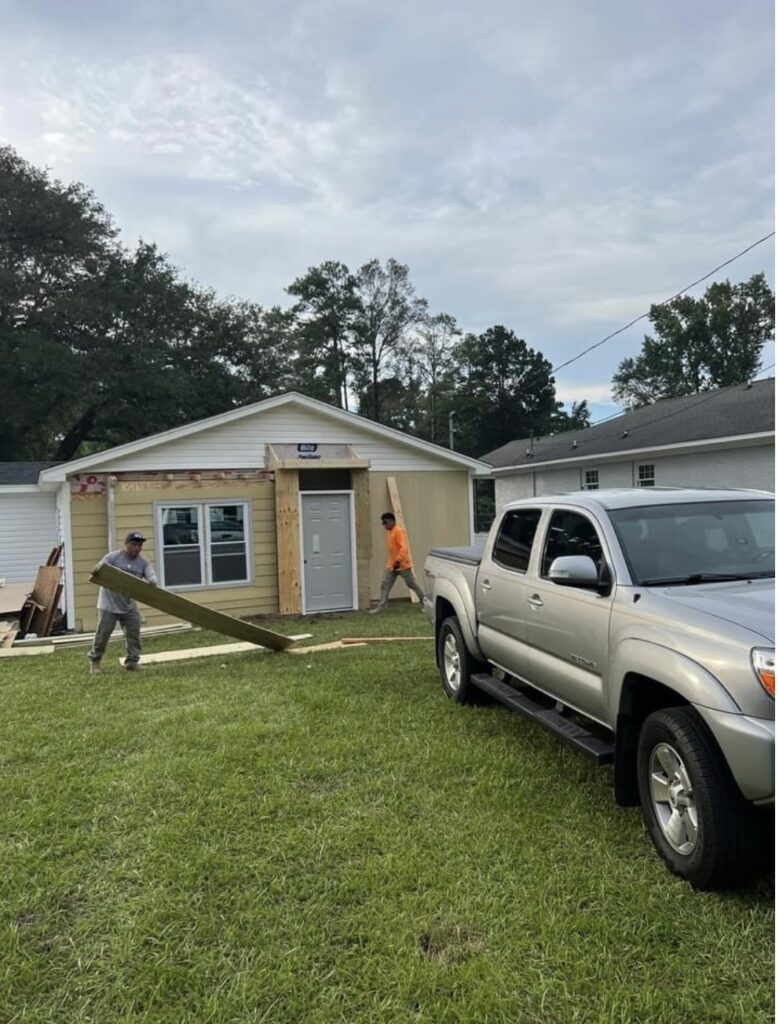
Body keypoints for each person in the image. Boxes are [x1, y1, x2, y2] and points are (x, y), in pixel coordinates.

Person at [88, 531, 158, 674]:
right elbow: (98, 569)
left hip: (128, 604)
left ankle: (132, 663)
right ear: (126, 544)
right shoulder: (113, 557)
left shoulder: (143, 562)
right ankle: (95, 662)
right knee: (103, 634)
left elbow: (151, 576)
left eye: (139, 545)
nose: (136, 548)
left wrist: (152, 580)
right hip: (108, 603)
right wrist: (96, 570)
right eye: (133, 544)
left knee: (133, 633)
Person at [369, 512, 429, 614]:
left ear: (391, 521)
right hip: (392, 565)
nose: (384, 525)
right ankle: (381, 608)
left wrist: (398, 560)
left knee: (412, 584)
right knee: (385, 584)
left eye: (385, 522)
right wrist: (393, 563)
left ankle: (427, 605)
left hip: (402, 564)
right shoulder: (390, 532)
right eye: (383, 523)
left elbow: (404, 547)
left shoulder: (398, 531)